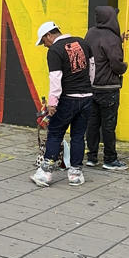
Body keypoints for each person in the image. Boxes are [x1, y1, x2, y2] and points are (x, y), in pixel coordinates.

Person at [31, 21, 92, 188]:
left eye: (44, 41)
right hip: (87, 97)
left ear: (49, 35)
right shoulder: (83, 43)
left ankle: (45, 174)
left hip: (67, 99)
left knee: (56, 133)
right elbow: (92, 69)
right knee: (78, 136)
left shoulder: (55, 51)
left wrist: (52, 103)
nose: (45, 45)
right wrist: (88, 88)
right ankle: (75, 174)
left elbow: (55, 79)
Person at [84, 5, 129, 170]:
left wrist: (120, 40)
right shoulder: (112, 38)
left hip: (91, 87)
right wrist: (124, 66)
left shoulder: (90, 33)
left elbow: (98, 49)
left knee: (93, 124)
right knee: (109, 126)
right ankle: (110, 159)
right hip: (108, 88)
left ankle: (92, 157)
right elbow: (116, 64)